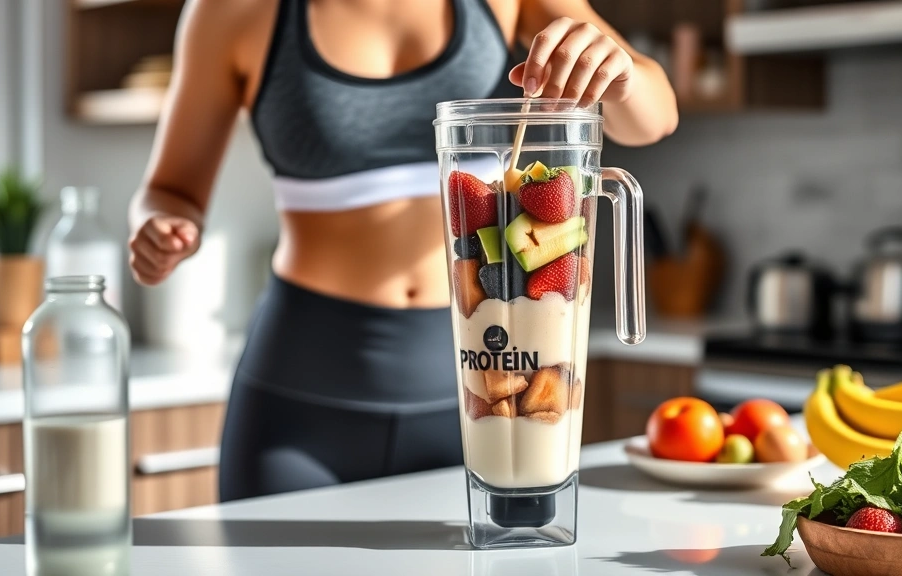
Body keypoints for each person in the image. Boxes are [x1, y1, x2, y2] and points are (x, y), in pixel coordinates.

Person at [128, 0, 677, 502]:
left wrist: (620, 75)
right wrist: (160, 225)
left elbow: (653, 118)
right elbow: (168, 191)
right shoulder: (230, 11)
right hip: (300, 404)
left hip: (484, 390)